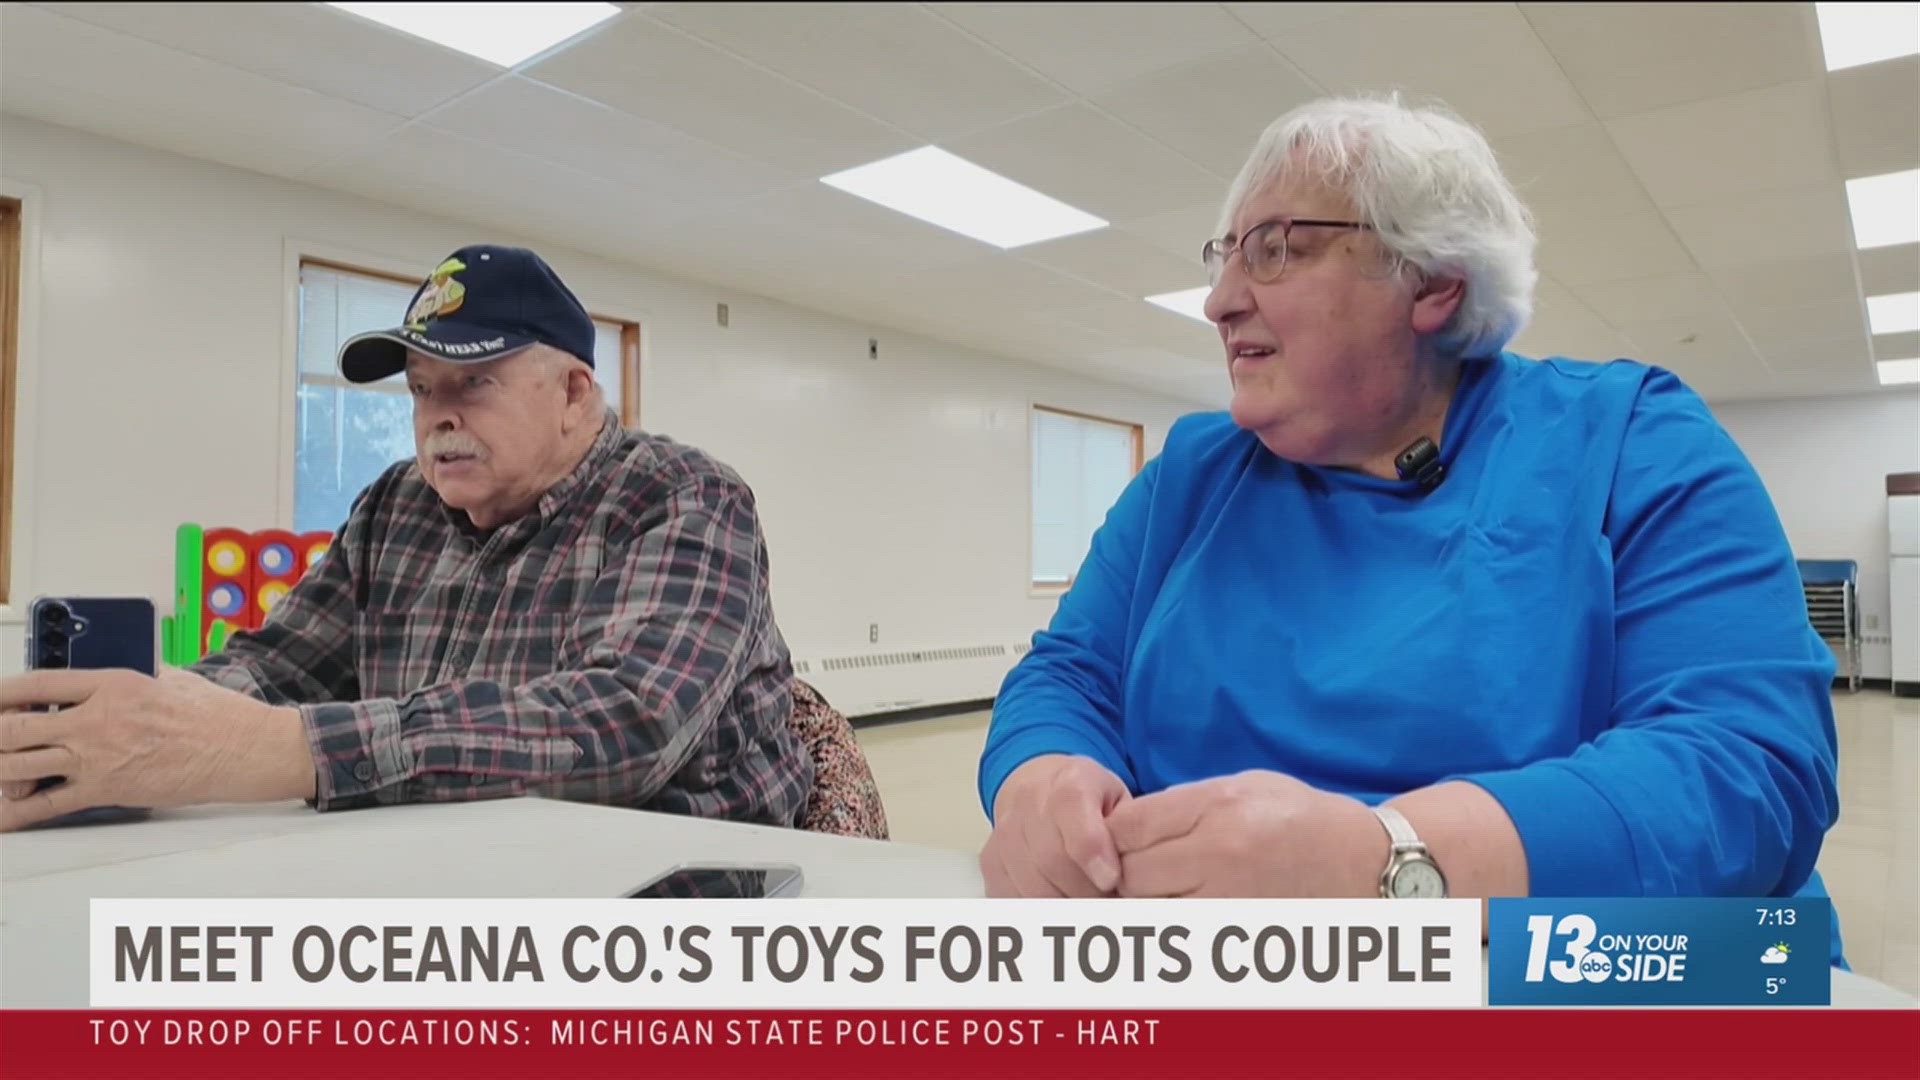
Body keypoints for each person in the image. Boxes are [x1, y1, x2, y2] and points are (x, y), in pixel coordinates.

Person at [976, 96, 1844, 962]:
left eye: (1274, 248)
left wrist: (1388, 863)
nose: (1219, 300)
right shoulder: (1193, 476)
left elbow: (1748, 768)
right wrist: (1043, 778)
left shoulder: (1631, 442)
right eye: (1225, 255)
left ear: (1432, 281)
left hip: (1562, 960)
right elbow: (1069, 674)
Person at [0, 245, 813, 832]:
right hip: (451, 864)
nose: (437, 418)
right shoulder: (398, 503)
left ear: (573, 394)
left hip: (681, 894)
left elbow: (624, 727)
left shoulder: (684, 496)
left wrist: (290, 749)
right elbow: (280, 666)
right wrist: (137, 720)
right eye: (421, 390)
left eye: (474, 383)